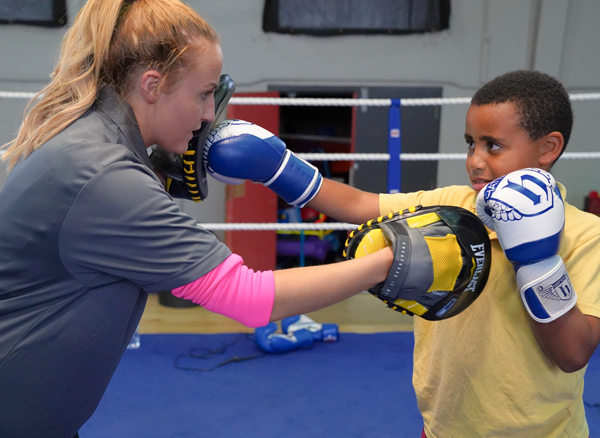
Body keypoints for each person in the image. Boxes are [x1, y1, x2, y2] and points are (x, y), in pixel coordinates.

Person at [0, 1, 397, 437]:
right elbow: (249, 298)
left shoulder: (90, 140)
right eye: (204, 93)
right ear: (153, 85)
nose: (210, 114)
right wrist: (388, 261)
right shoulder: (104, 175)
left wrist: (163, 170)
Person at [208, 70, 600, 438]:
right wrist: (278, 168)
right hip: (443, 426)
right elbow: (361, 205)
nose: (475, 160)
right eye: (471, 143)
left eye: (493, 145)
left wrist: (538, 261)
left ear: (548, 147)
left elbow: (572, 354)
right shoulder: (452, 206)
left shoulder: (587, 236)